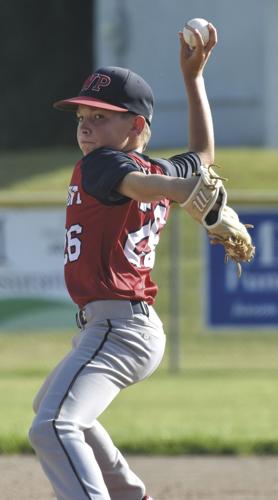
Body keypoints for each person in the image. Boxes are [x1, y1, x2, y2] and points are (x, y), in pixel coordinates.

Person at [29, 25, 217, 500]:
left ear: (136, 125)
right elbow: (201, 159)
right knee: (53, 410)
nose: (86, 126)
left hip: (119, 326)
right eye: (82, 117)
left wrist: (188, 189)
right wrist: (193, 81)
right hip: (120, 327)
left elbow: (160, 177)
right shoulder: (146, 170)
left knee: (52, 426)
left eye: (102, 116)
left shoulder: (105, 164)